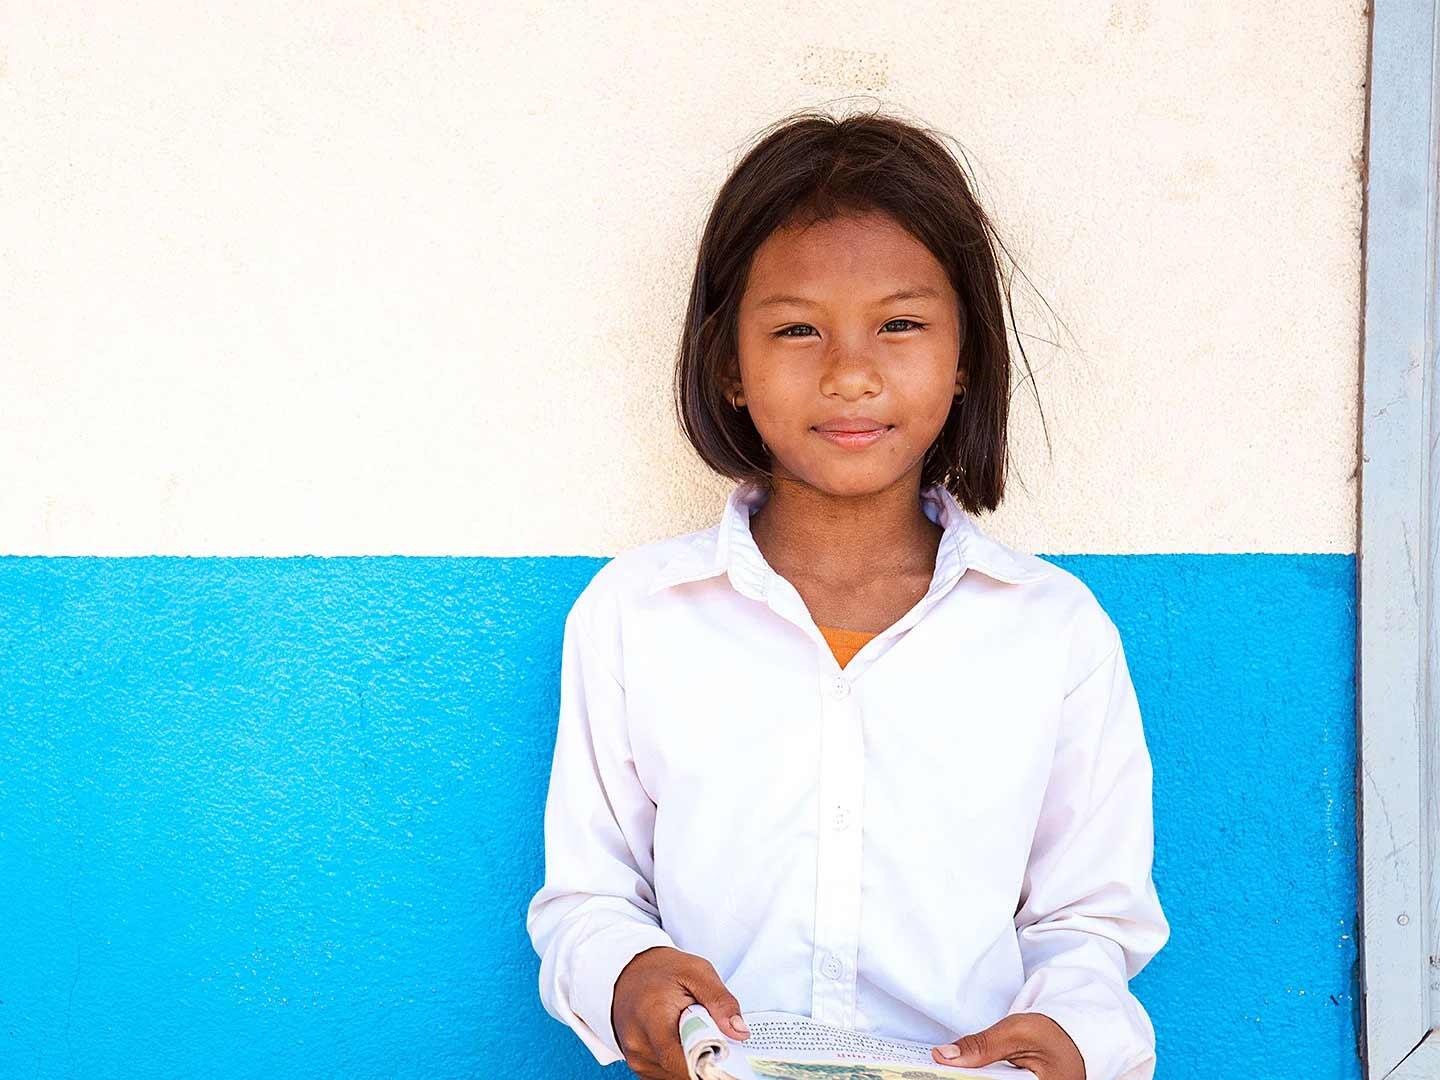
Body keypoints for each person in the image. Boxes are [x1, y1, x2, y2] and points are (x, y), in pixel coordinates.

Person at [525, 107, 1169, 1080]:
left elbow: (1087, 918)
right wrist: (629, 975)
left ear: (965, 361)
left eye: (900, 324)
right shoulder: (636, 616)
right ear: (729, 367)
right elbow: (589, 897)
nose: (852, 373)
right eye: (796, 329)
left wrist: (1075, 1034)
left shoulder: (1052, 632)